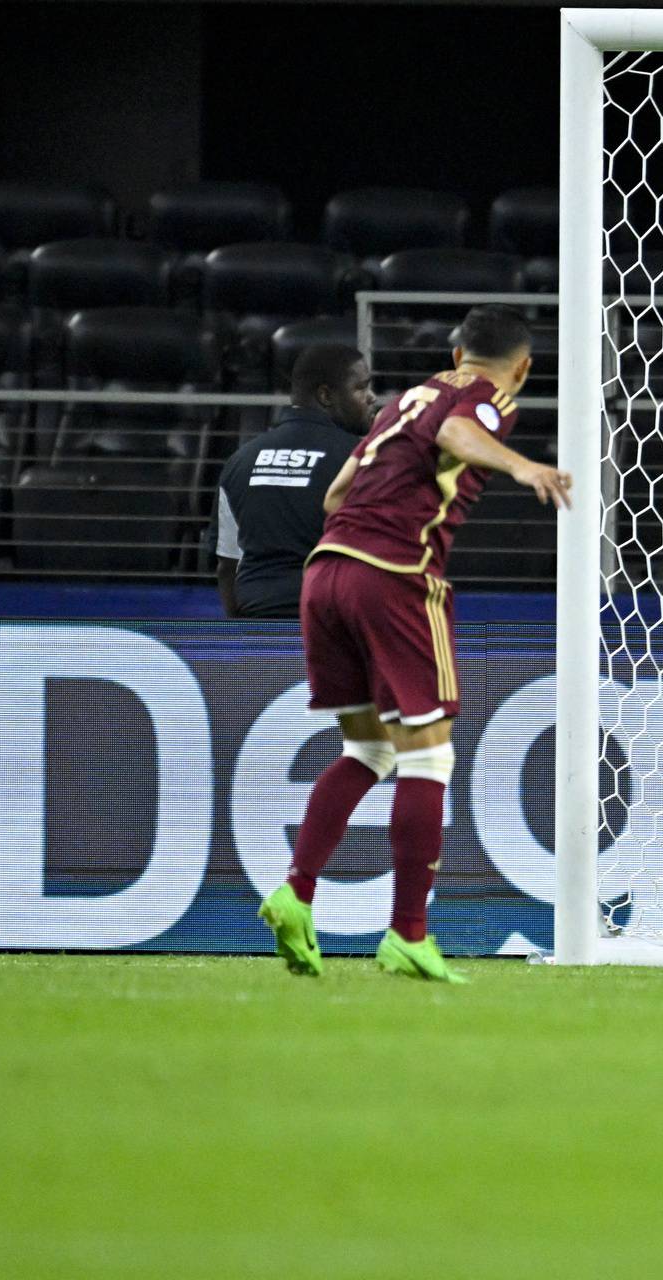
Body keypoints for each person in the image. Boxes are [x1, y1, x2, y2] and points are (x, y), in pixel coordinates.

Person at [257, 304, 572, 982]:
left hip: (325, 572)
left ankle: (295, 890)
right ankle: (407, 934)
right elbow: (461, 432)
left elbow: (337, 492)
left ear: (457, 350)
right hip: (393, 576)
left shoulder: (405, 399)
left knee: (367, 748)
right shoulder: (487, 397)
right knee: (428, 760)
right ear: (523, 366)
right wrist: (520, 468)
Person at [212, 344, 375, 618]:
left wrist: (240, 631)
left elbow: (227, 565)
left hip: (259, 625)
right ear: (325, 395)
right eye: (361, 388)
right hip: (331, 626)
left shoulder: (240, 460)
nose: (372, 398)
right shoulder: (359, 460)